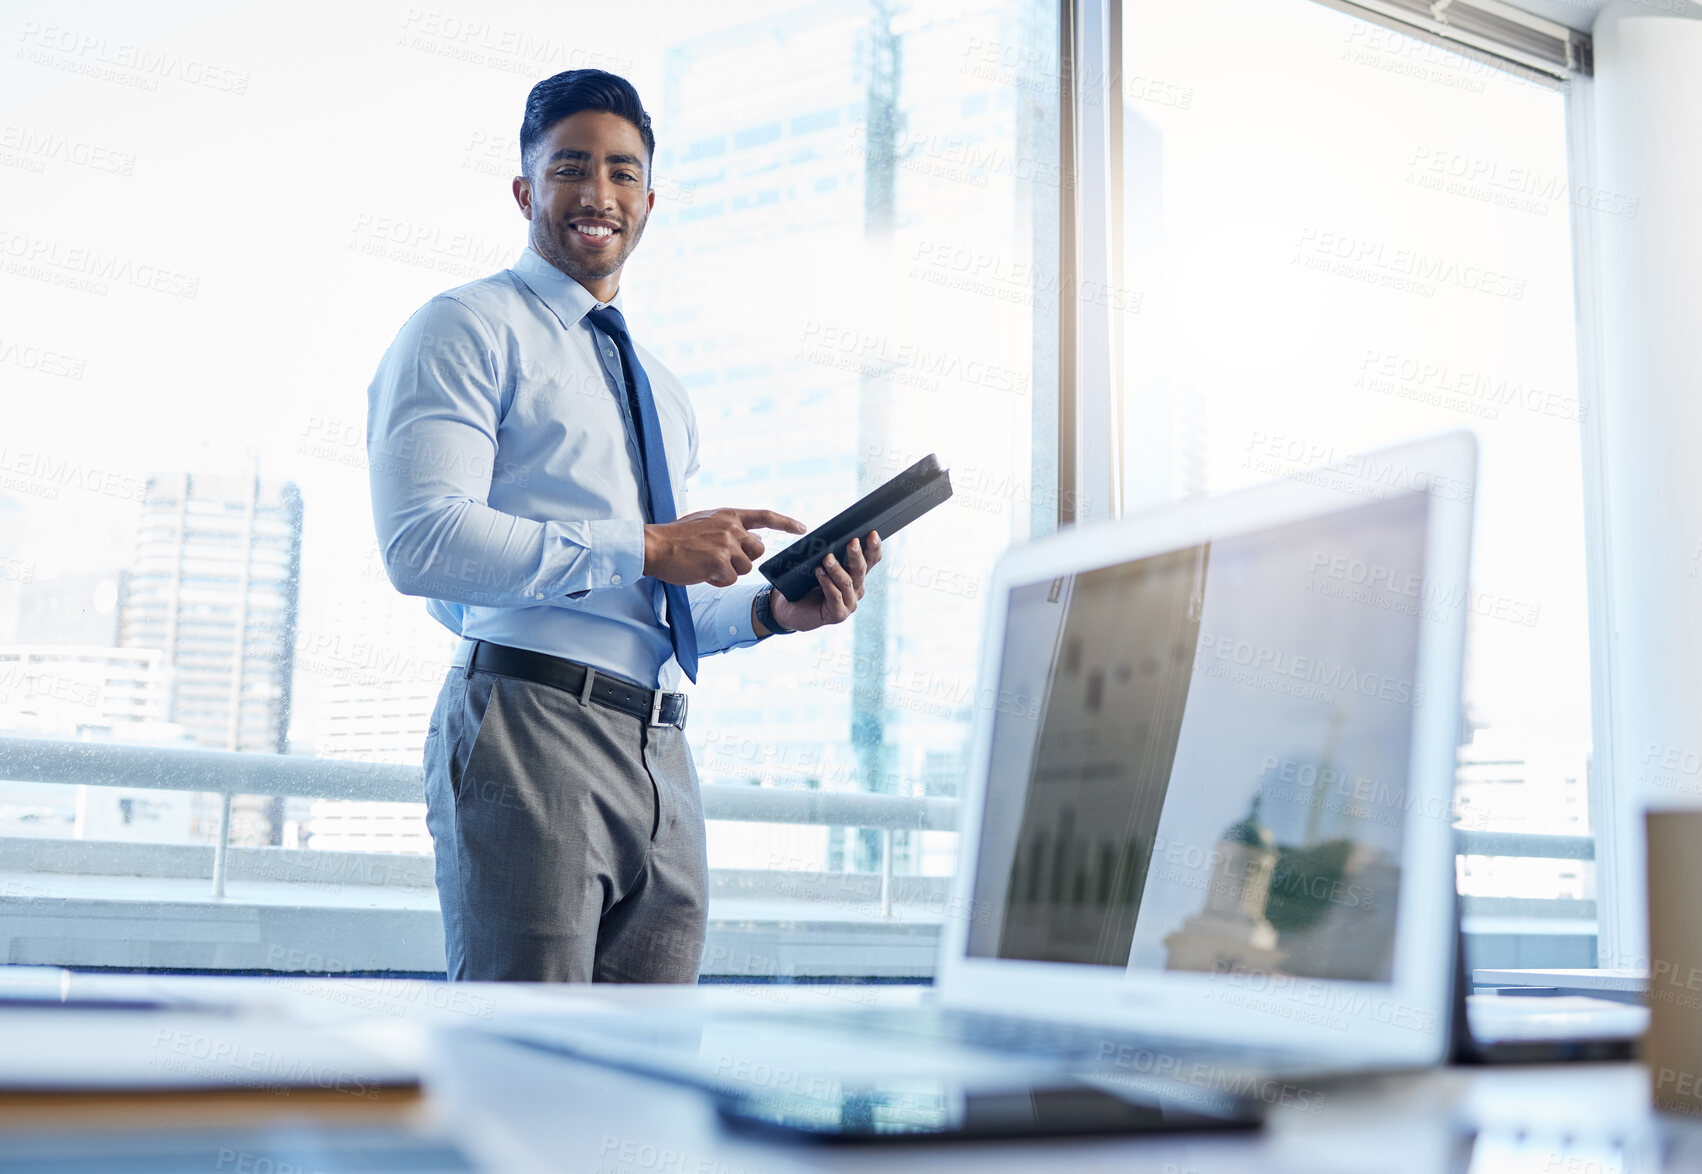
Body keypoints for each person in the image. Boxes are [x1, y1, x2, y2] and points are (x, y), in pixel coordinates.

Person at [366, 69, 881, 983]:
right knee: (527, 1067)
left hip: (664, 752)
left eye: (623, 172)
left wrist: (770, 612)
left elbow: (654, 607)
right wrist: (648, 542)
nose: (598, 194)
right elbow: (421, 541)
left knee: (647, 1085)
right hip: (530, 724)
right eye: (571, 167)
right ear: (527, 190)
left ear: (648, 201)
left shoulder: (661, 390)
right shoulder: (465, 328)